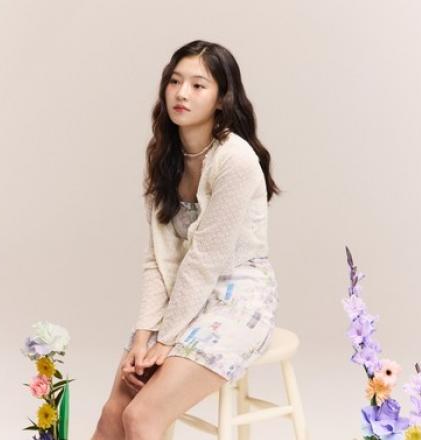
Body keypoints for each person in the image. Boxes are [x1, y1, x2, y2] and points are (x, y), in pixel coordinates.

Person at [92, 39, 282, 440]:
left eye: (198, 85)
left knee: (140, 416)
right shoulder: (164, 154)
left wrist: (167, 340)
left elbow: (206, 260)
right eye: (175, 81)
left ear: (221, 98)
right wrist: (143, 336)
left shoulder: (235, 159)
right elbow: (158, 259)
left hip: (238, 297)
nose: (182, 93)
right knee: (114, 412)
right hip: (183, 293)